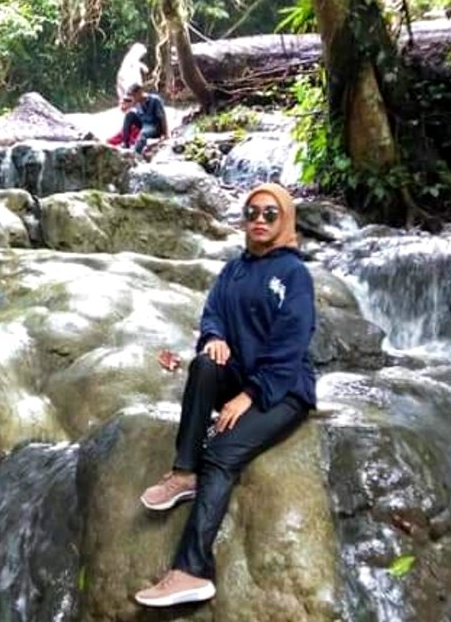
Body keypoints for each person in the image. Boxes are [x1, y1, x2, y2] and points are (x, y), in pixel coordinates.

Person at [134, 182, 317, 608]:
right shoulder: (233, 270)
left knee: (220, 452)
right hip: (242, 375)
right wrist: (213, 338)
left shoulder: (294, 274)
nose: (259, 219)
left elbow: (291, 343)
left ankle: (193, 570)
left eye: (270, 213)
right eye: (252, 211)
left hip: (284, 388)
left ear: (285, 219)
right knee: (203, 364)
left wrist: (248, 396)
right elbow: (212, 313)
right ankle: (183, 474)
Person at [120, 83, 168, 156]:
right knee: (129, 115)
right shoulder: (136, 102)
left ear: (140, 92)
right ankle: (125, 144)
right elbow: (126, 109)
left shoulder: (155, 100)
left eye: (134, 95)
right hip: (144, 123)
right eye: (132, 96)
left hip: (154, 126)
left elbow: (162, 117)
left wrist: (165, 134)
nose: (133, 98)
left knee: (143, 133)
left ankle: (136, 154)